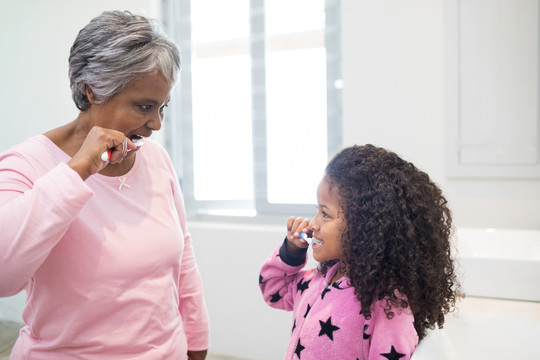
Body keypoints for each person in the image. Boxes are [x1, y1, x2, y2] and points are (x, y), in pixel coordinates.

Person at [0, 10, 209, 360]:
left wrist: (196, 342)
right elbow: (4, 277)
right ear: (91, 90)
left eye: (163, 107)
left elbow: (183, 256)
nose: (156, 124)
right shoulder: (25, 164)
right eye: (145, 106)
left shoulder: (156, 160)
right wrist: (77, 169)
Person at [259, 144, 461, 359]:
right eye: (316, 210)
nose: (313, 224)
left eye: (325, 214)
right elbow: (274, 291)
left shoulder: (387, 304)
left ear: (364, 226)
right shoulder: (316, 280)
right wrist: (291, 251)